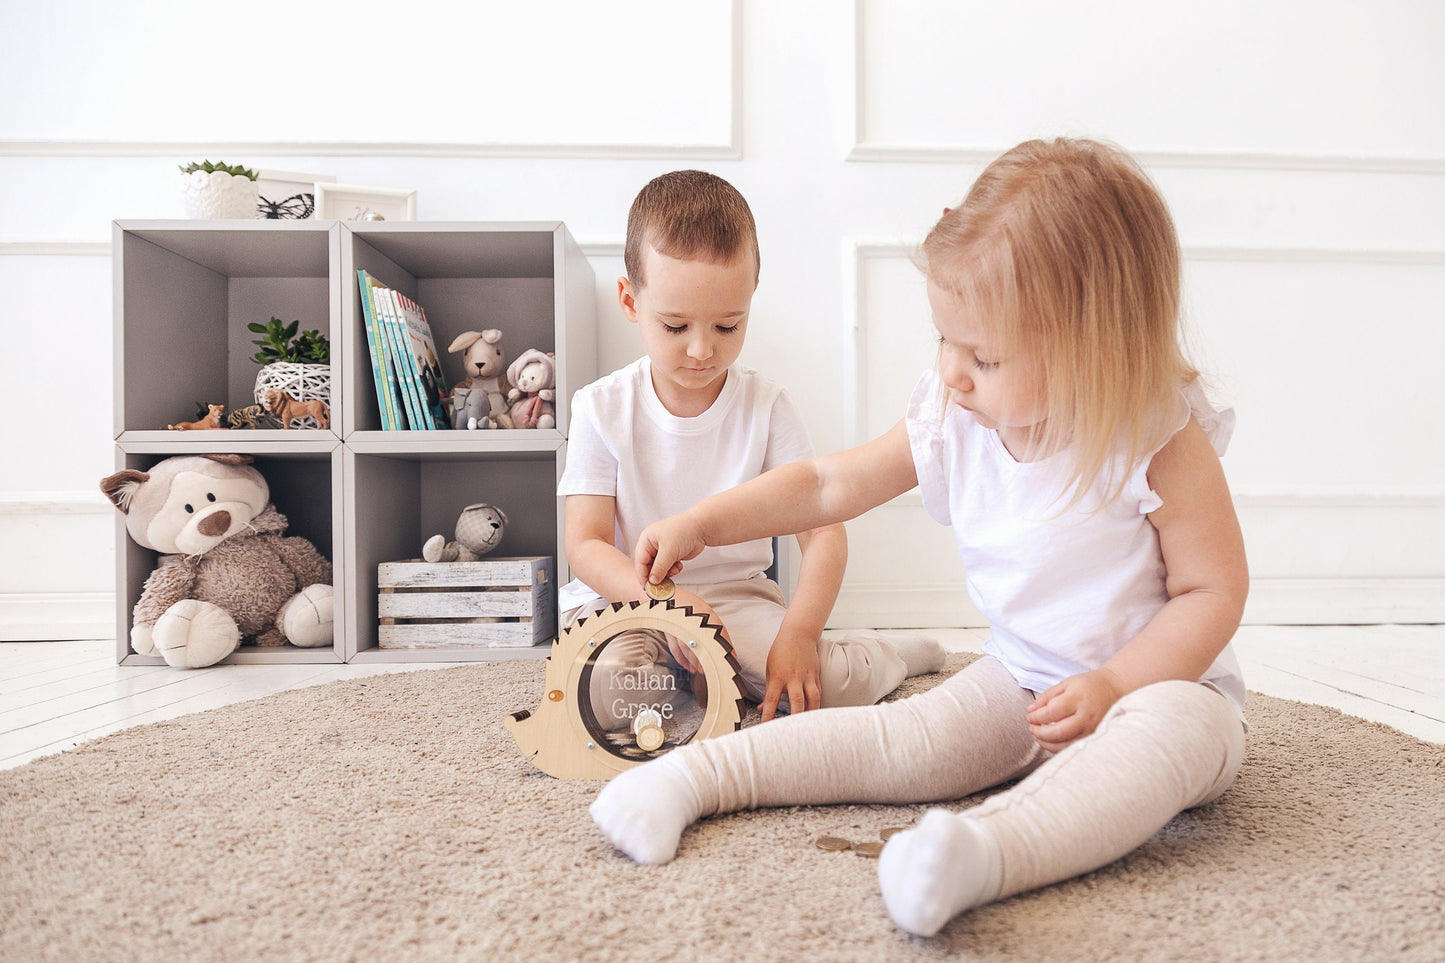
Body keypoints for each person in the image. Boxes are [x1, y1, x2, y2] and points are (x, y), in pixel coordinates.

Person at [590, 140, 1250, 939]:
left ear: (1092, 344)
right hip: (1023, 682)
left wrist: (1114, 684)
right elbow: (826, 486)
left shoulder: (1153, 434)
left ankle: (982, 853)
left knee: (1157, 749)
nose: (953, 372)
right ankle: (693, 779)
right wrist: (704, 520)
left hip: (1164, 689)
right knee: (908, 740)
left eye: (983, 354)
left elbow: (1212, 591)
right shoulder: (954, 416)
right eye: (944, 341)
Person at [557, 169, 944, 737]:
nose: (700, 348)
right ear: (630, 301)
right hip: (628, 603)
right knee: (609, 695)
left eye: (727, 324)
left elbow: (825, 532)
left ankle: (893, 655)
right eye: (675, 325)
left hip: (737, 605)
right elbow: (585, 544)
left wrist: (799, 635)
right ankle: (695, 686)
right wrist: (674, 610)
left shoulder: (766, 407)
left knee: (823, 686)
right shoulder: (600, 407)